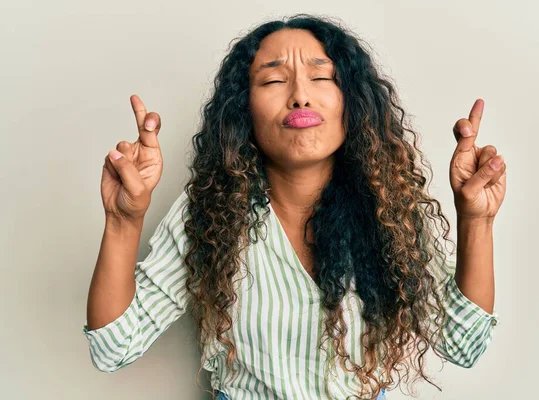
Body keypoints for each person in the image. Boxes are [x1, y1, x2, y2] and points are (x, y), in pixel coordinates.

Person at [82, 13, 505, 400]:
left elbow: (460, 342)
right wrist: (123, 219)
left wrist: (476, 220)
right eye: (272, 81)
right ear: (242, 110)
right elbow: (113, 346)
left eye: (321, 78)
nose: (300, 96)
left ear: (352, 102)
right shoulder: (206, 214)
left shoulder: (389, 210)